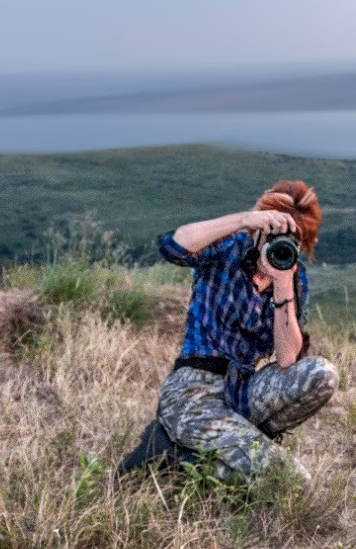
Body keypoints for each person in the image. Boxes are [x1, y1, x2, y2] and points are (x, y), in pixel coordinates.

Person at [118, 180, 337, 483]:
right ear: (260, 228)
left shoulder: (294, 277)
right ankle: (173, 456)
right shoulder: (229, 248)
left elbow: (288, 359)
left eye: (293, 240)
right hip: (193, 387)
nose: (282, 244)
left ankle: (202, 452)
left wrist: (282, 283)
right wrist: (244, 220)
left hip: (242, 390)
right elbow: (172, 246)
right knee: (289, 481)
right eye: (275, 234)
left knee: (321, 374)